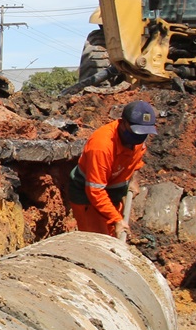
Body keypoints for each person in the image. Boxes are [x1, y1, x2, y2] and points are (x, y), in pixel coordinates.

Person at [66, 100, 158, 240]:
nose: (140, 137)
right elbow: (95, 191)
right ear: (123, 123)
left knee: (112, 235)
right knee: (97, 242)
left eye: (144, 133)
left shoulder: (138, 137)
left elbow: (137, 158)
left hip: (112, 192)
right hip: (88, 197)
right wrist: (117, 219)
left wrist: (133, 180)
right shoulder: (101, 146)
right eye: (137, 132)